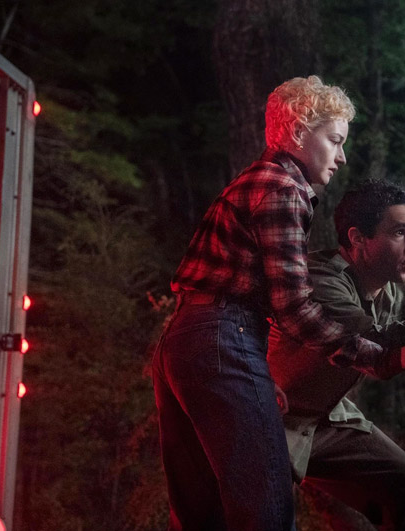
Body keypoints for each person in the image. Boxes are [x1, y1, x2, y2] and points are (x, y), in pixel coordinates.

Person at [152, 76, 386, 531]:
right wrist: (370, 354)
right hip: (222, 339)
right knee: (266, 509)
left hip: (182, 343)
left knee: (201, 514)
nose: (342, 156)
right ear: (299, 133)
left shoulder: (253, 180)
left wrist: (255, 368)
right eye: (335, 140)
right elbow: (294, 306)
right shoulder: (282, 188)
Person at [268, 179, 405, 530]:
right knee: (264, 517)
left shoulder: (399, 286)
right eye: (400, 233)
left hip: (329, 418)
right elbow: (374, 344)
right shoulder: (320, 279)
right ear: (358, 238)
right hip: (273, 419)